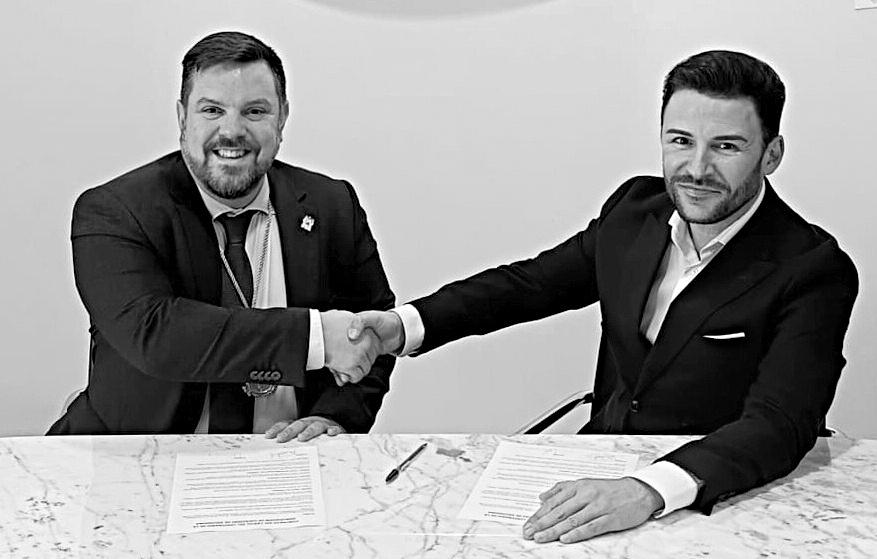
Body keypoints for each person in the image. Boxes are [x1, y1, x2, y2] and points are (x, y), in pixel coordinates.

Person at [346, 50, 858, 542]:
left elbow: (779, 423)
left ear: (772, 154)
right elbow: (528, 286)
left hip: (723, 493)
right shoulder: (634, 209)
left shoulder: (814, 269)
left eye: (726, 147)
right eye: (680, 141)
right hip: (601, 464)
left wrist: (648, 490)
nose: (697, 168)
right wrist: (404, 325)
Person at [48, 31, 395, 442]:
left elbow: (371, 328)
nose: (232, 131)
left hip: (287, 457)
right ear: (182, 118)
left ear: (282, 118)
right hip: (137, 457)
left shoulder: (332, 204)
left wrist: (334, 417)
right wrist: (315, 338)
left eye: (255, 111)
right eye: (212, 110)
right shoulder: (116, 210)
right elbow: (157, 335)